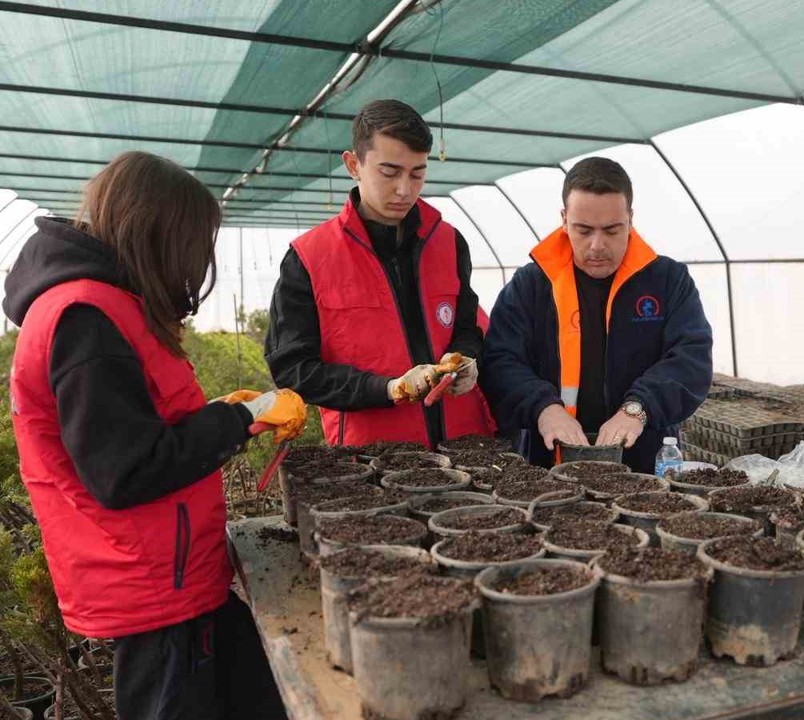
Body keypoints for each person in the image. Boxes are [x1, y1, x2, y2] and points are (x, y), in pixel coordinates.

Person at [4, 151, 306, 719]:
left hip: (176, 580)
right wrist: (239, 420)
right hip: (152, 590)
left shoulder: (105, 304)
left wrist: (223, 411)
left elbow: (136, 426)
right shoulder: (85, 318)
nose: (191, 266)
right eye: (190, 246)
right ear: (156, 233)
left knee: (264, 692)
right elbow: (126, 470)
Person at [265, 99, 493, 449]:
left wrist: (465, 359)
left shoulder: (448, 242)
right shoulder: (309, 258)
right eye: (390, 172)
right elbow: (295, 370)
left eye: (417, 173)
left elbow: (467, 325)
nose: (405, 189)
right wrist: (388, 389)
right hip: (372, 457)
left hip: (463, 445)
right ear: (353, 165)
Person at [481, 157, 713, 473]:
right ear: (564, 219)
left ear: (630, 218)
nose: (597, 245)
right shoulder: (531, 286)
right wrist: (544, 408)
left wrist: (637, 409)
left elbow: (691, 359)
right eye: (584, 230)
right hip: (548, 465)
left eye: (612, 230)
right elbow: (500, 361)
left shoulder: (668, 281)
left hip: (645, 464)